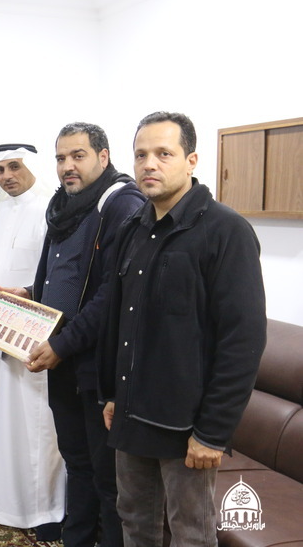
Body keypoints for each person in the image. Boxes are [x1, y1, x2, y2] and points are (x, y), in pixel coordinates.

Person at [99, 112, 266, 546]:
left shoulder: (226, 231)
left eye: (163, 154)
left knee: (190, 532)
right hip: (132, 414)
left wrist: (213, 432)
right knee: (134, 521)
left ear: (191, 160)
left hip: (187, 427)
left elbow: (243, 341)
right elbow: (120, 319)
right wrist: (112, 393)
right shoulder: (133, 228)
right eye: (141, 155)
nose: (149, 164)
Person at [12, 122, 144, 547]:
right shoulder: (64, 205)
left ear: (103, 157)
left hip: (97, 367)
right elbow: (66, 274)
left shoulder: (121, 204)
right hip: (63, 360)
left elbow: (111, 294)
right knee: (77, 463)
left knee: (108, 477)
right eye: (61, 158)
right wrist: (32, 293)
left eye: (78, 156)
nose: (67, 166)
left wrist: (62, 344)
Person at [0, 144, 65, 539]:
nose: (7, 176)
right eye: (0, 169)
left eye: (14, 166)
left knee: (37, 427)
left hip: (35, 337)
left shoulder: (51, 211)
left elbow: (56, 274)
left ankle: (45, 511)